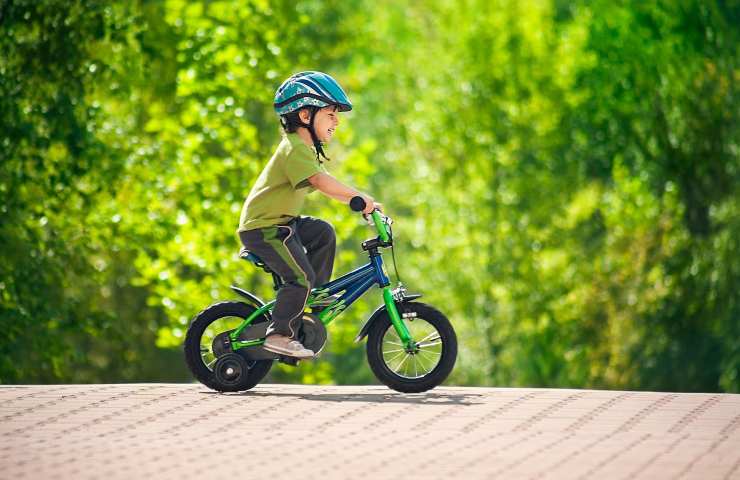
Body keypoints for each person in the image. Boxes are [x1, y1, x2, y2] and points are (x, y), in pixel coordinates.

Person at [237, 71, 379, 359]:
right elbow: (321, 183)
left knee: (323, 232)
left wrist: (360, 202)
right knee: (299, 278)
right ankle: (279, 333)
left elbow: (329, 184)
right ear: (304, 115)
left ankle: (314, 298)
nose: (336, 121)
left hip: (283, 224)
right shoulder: (294, 149)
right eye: (330, 114)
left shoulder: (304, 150)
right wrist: (359, 198)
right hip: (264, 228)